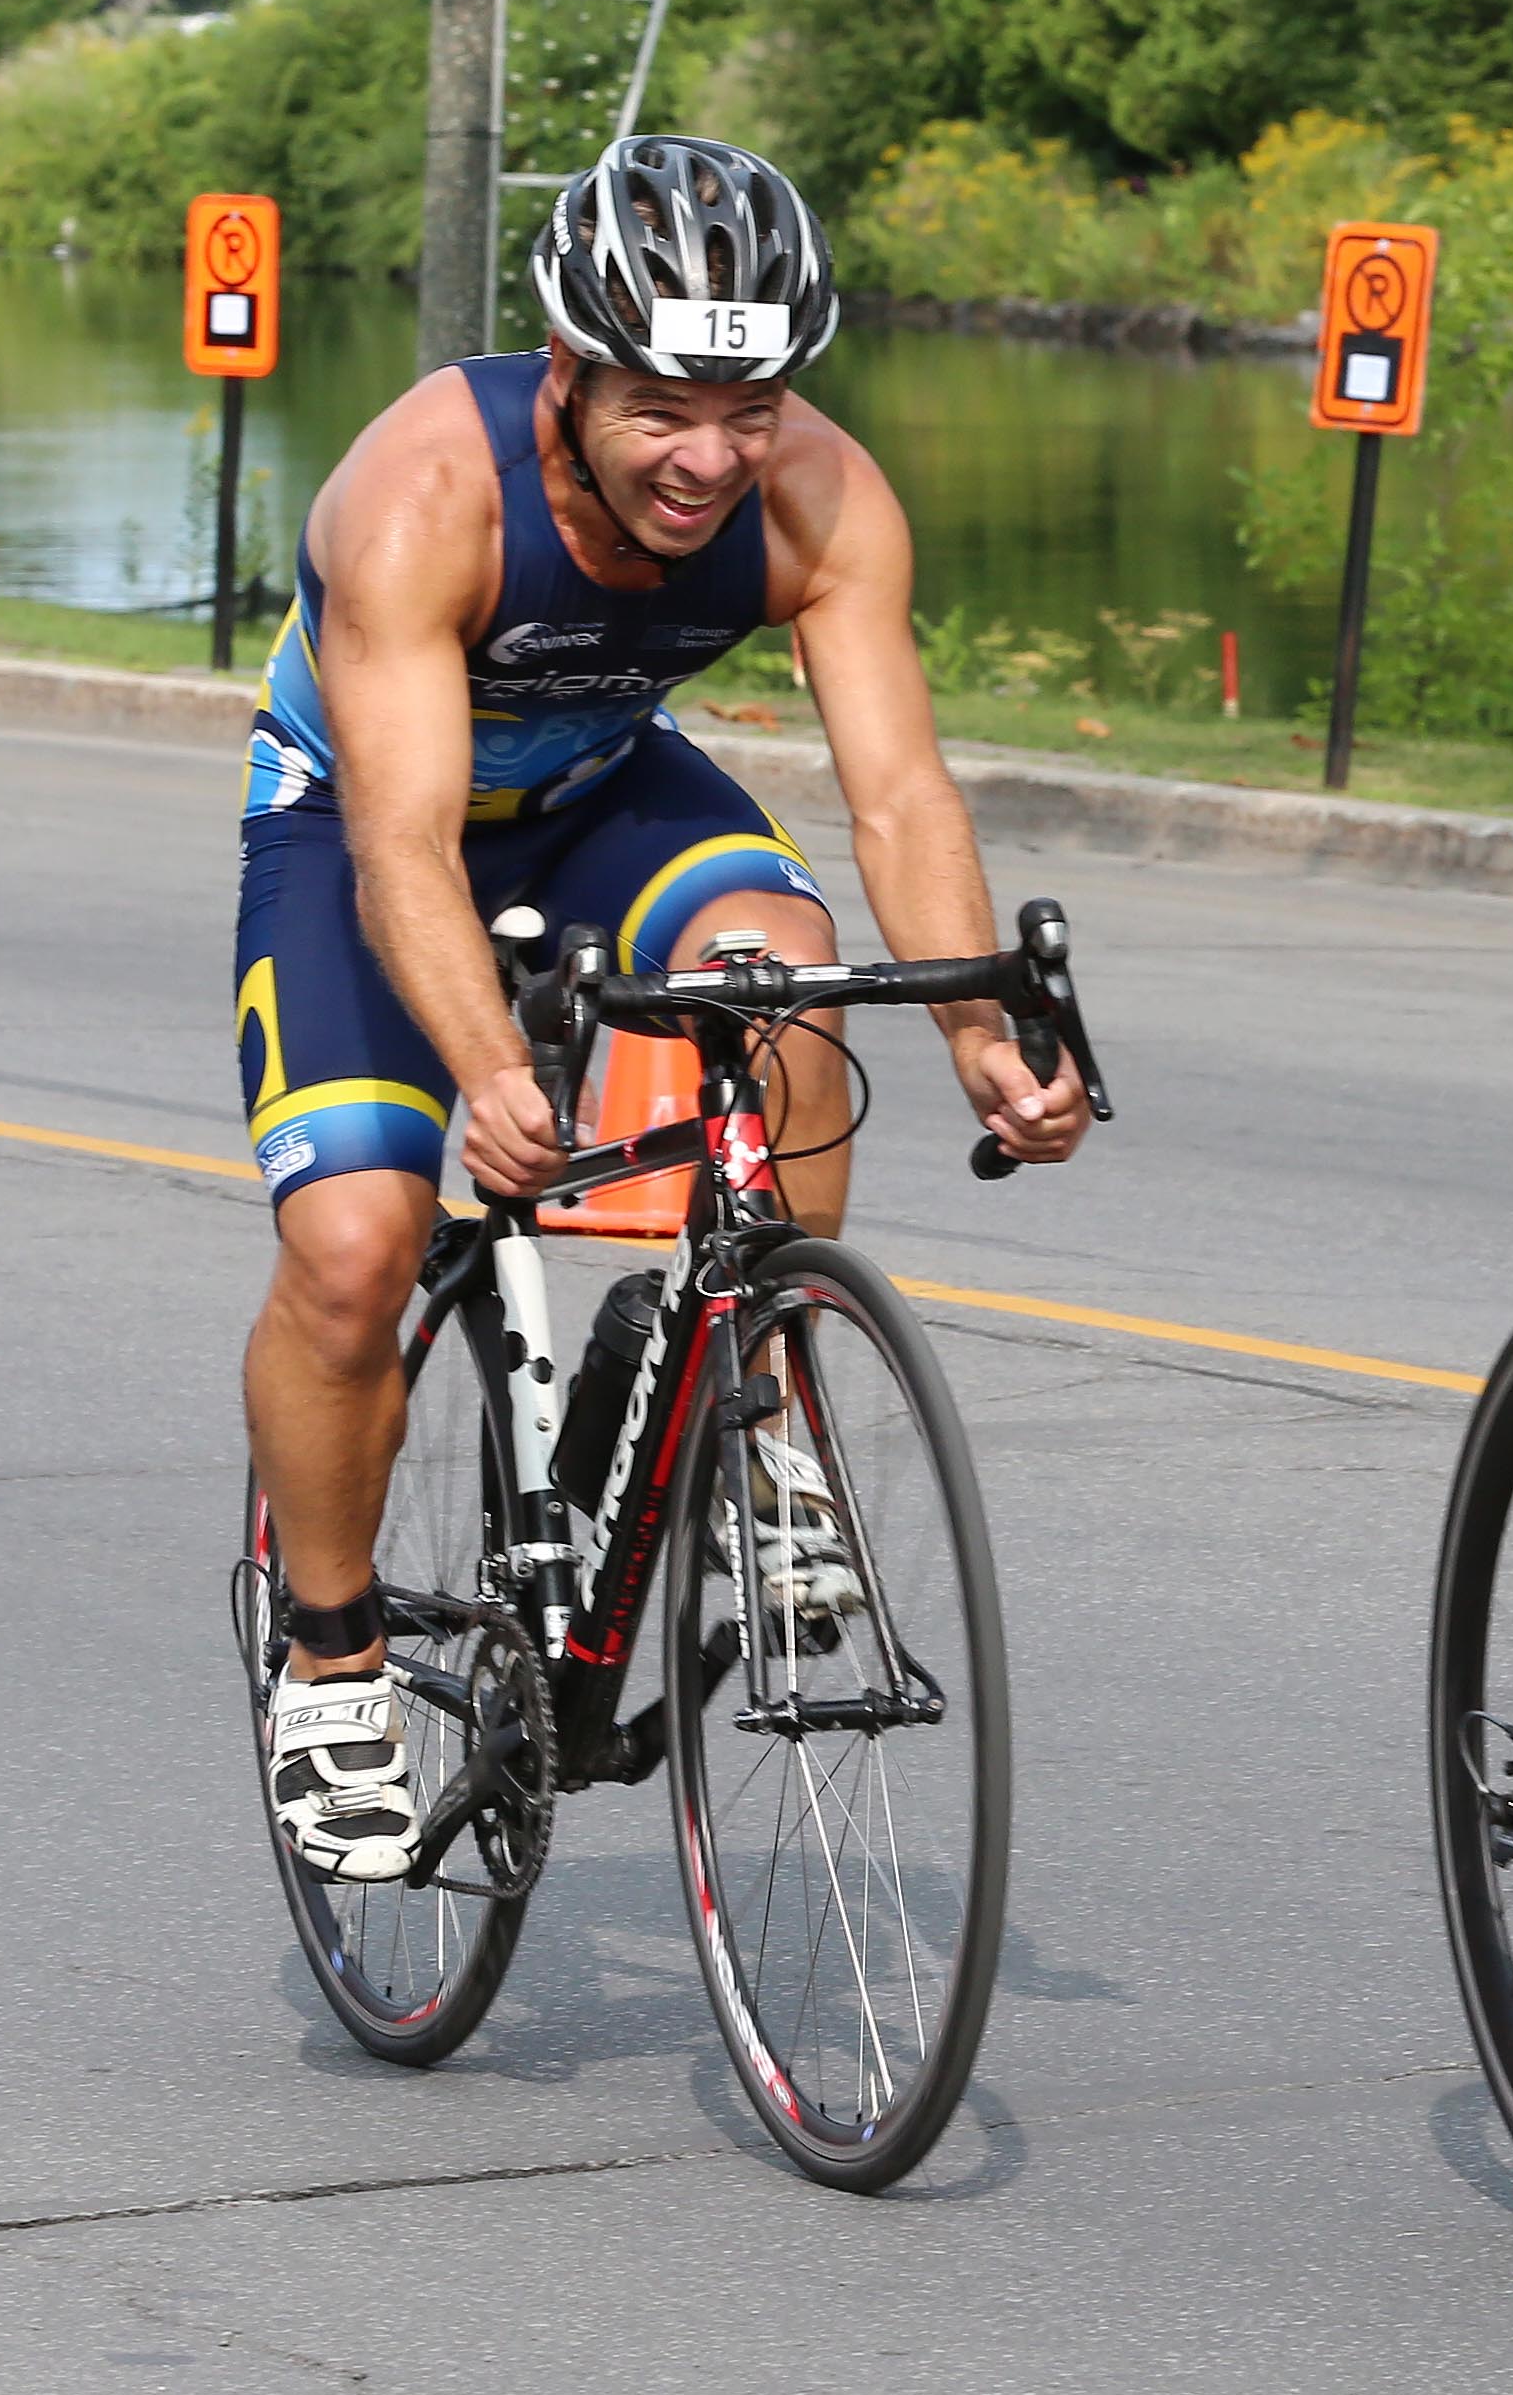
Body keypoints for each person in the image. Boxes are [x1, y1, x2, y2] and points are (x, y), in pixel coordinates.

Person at [236, 133, 1093, 1880]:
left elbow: (903, 795)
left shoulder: (818, 495)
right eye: (660, 411)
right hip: (363, 827)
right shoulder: (426, 490)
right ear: (566, 373)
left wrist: (980, 1032)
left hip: (607, 791)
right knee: (352, 1253)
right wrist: (485, 1062)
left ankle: (766, 1411)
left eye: (751, 406)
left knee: (787, 970)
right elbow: (403, 844)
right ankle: (327, 1660)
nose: (711, 458)